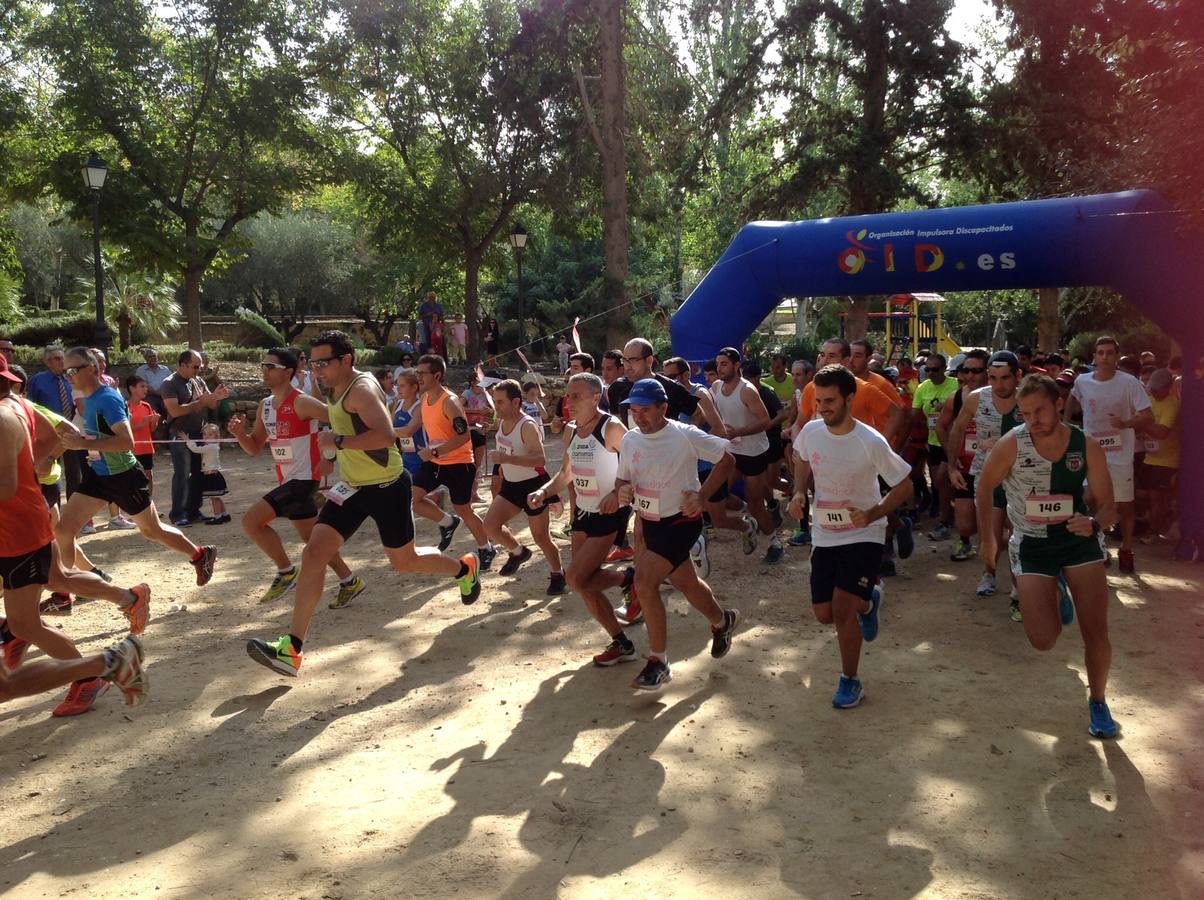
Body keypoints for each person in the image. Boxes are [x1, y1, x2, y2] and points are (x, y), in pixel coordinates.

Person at [246, 331, 481, 677]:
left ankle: (464, 568)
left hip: (387, 487)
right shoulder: (332, 387)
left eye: (324, 363)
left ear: (346, 360)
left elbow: (385, 436)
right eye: (314, 363)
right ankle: (291, 650)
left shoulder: (362, 390)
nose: (317, 370)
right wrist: (332, 454)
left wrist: (338, 441)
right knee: (314, 553)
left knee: (405, 562)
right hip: (353, 487)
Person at [0, 353, 151, 715]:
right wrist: (34, 464)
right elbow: (55, 435)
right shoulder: (19, 405)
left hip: (16, 533)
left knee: (26, 625)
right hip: (25, 521)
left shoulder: (4, 417)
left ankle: (94, 671)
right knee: (57, 580)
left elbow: (5, 486)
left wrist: (33, 466)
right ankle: (126, 603)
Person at [976, 374, 1119, 737]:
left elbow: (1109, 508)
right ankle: (1057, 589)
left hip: (1078, 541)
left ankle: (1098, 702)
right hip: (1032, 543)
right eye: (1024, 414)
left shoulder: (1085, 445)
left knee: (1095, 631)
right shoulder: (1012, 444)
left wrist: (1094, 524)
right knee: (1042, 640)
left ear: (1058, 405)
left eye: (1039, 411)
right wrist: (988, 539)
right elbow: (985, 487)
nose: (1032, 420)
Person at [788, 365, 912, 709]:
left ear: (849, 399)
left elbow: (905, 486)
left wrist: (873, 513)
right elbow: (801, 458)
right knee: (824, 613)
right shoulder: (811, 431)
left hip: (864, 532)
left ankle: (850, 681)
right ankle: (869, 601)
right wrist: (798, 492)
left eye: (830, 401)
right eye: (818, 401)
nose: (822, 408)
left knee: (842, 609)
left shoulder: (870, 441)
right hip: (825, 532)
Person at [54, 347, 218, 589]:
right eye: (65, 371)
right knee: (63, 531)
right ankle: (67, 591)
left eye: (72, 371)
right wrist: (91, 449)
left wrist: (84, 444)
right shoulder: (90, 400)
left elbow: (126, 442)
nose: (68, 376)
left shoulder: (107, 399)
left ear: (90, 369)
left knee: (152, 531)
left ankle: (201, 555)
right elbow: (103, 435)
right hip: (99, 476)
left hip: (124, 477)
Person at [614, 378, 740, 692]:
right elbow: (622, 481)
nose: (639, 416)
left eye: (645, 410)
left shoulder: (684, 435)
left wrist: (702, 496)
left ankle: (658, 662)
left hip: (682, 521)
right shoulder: (630, 440)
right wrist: (623, 491)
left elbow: (727, 459)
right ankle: (722, 621)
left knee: (645, 582)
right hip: (648, 523)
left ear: (663, 408)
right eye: (634, 410)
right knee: (687, 583)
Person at [228, 347, 364, 608]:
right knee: (314, 541)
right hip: (287, 481)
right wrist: (240, 435)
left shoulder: (301, 402)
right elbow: (254, 447)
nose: (264, 371)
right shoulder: (266, 406)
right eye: (263, 366)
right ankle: (350, 581)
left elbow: (340, 420)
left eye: (270, 367)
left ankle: (286, 571)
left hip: (303, 480)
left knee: (251, 522)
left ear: (288, 372)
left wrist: (330, 456)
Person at [530, 373, 638, 663]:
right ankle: (621, 642)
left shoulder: (611, 427)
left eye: (576, 396)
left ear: (595, 397)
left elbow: (638, 466)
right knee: (585, 584)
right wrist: (544, 491)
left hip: (609, 513)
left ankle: (628, 579)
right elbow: (566, 473)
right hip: (583, 513)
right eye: (568, 396)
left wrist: (617, 493)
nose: (569, 401)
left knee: (576, 579)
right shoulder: (571, 430)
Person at [1065, 336, 1153, 574]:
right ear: (1094, 356)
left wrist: (1125, 423)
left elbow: (1147, 416)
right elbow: (1071, 400)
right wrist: (1066, 426)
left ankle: (1126, 549)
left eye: (1109, 352)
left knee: (1124, 506)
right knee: (1088, 499)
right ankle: (1099, 543)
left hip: (1120, 455)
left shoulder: (1129, 383)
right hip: (1092, 452)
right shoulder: (1082, 381)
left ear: (1117, 356)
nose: (1104, 357)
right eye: (1100, 352)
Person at [400, 354, 496, 568]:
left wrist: (434, 452)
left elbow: (464, 436)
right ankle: (448, 522)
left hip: (459, 464)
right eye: (417, 372)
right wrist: (378, 431)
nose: (418, 377)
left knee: (464, 509)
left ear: (437, 376)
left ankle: (486, 548)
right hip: (435, 462)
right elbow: (408, 429)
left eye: (422, 373)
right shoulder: (424, 399)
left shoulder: (450, 402)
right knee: (413, 499)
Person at [949, 350, 1023, 609]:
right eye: (993, 377)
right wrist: (952, 467)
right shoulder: (976, 398)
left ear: (1017, 376)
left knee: (1019, 534)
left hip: (1021, 476)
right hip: (986, 475)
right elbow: (957, 428)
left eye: (1005, 378)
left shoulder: (1028, 399)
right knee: (989, 531)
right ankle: (989, 573)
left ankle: (1018, 586)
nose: (999, 385)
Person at [483, 380, 566, 594]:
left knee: (541, 537)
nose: (496, 406)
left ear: (516, 402)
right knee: (490, 525)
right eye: (494, 401)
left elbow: (540, 459)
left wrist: (506, 460)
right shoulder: (502, 422)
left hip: (533, 486)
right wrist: (502, 468)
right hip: (511, 485)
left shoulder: (526, 425)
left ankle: (558, 573)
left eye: (500, 402)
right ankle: (518, 552)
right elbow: (505, 449)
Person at [711, 348, 781, 563]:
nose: (719, 368)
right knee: (718, 496)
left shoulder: (747, 390)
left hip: (753, 453)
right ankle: (747, 519)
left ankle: (774, 543)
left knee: (756, 504)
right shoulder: (716, 387)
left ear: (736, 365)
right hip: (731, 451)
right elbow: (716, 414)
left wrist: (739, 431)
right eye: (718, 364)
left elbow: (765, 420)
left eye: (724, 364)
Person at [162, 350, 227, 526]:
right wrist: (201, 402)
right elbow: (174, 410)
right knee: (182, 474)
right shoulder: (169, 383)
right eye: (196, 366)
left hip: (199, 434)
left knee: (198, 474)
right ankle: (178, 514)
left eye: (200, 366)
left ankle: (193, 511)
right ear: (183, 365)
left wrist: (217, 397)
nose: (200, 370)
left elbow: (211, 404)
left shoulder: (198, 380)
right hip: (180, 434)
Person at [936, 350, 989, 561]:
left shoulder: (1002, 396)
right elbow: (941, 426)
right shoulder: (957, 397)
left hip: (994, 467)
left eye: (976, 371)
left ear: (987, 371)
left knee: (991, 521)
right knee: (965, 525)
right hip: (966, 467)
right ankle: (965, 541)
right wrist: (952, 456)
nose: (970, 376)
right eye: (966, 371)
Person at [911, 353, 959, 540]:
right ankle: (948, 514)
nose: (931, 373)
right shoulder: (922, 388)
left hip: (952, 441)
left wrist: (947, 408)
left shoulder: (955, 385)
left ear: (944, 369)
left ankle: (946, 520)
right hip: (932, 441)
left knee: (941, 480)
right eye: (927, 369)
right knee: (939, 483)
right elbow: (915, 415)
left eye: (935, 369)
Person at [26, 345, 82, 498]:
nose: (61, 361)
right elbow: (30, 407)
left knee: (74, 474)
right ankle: (51, 505)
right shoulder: (37, 380)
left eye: (62, 358)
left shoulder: (71, 379)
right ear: (47, 362)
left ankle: (72, 507)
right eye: (57, 359)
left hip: (71, 432)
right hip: (49, 435)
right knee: (47, 474)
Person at [1136, 368, 1179, 542]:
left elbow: (1162, 432)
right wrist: (1141, 425)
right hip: (1149, 457)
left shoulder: (1173, 405)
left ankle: (1154, 531)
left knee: (1156, 497)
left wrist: (1143, 423)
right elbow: (1136, 423)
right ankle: (1154, 521)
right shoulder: (1148, 401)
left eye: (1158, 389)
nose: (1153, 391)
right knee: (1140, 494)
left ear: (1168, 387)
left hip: (1167, 461)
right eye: (1152, 388)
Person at [461, 367, 495, 503]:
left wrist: (489, 411)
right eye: (478, 381)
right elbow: (459, 407)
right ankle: (466, 493)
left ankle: (474, 493)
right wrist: (477, 411)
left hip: (480, 430)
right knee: (468, 463)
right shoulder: (467, 393)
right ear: (472, 382)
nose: (481, 384)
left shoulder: (485, 394)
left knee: (478, 465)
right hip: (468, 431)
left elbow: (493, 410)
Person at [186, 423, 230, 524]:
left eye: (210, 434)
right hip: (213, 475)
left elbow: (196, 449)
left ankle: (218, 517)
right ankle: (225, 515)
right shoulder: (213, 446)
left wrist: (188, 441)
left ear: (216, 437)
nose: (206, 436)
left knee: (214, 498)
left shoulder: (211, 447)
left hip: (211, 476)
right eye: (204, 434)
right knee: (217, 497)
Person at [126, 375, 160, 499]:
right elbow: (124, 430)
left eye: (146, 386)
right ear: (132, 388)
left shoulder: (146, 406)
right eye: (142, 386)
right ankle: (133, 502)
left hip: (146, 448)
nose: (146, 389)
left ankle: (149, 501)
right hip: (132, 449)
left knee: (148, 475)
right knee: (133, 477)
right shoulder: (125, 406)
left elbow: (152, 429)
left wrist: (155, 421)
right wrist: (141, 424)